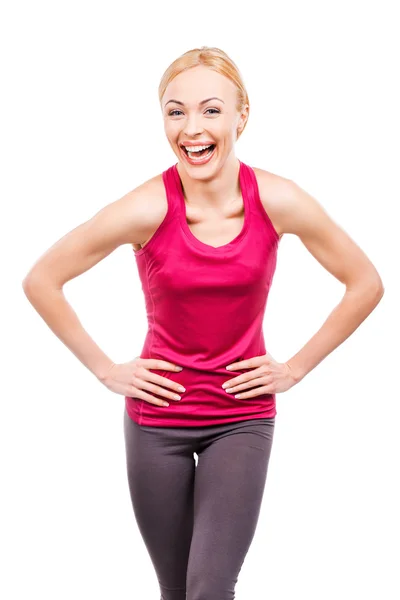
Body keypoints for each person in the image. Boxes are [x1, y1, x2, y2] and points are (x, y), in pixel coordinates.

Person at [22, 46, 384, 599]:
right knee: (176, 590)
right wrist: (105, 369)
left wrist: (295, 368)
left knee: (209, 587)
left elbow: (365, 282)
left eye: (211, 110)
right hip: (157, 422)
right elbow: (42, 279)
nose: (192, 128)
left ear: (242, 116)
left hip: (241, 418)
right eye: (176, 111)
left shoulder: (280, 200)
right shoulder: (145, 207)